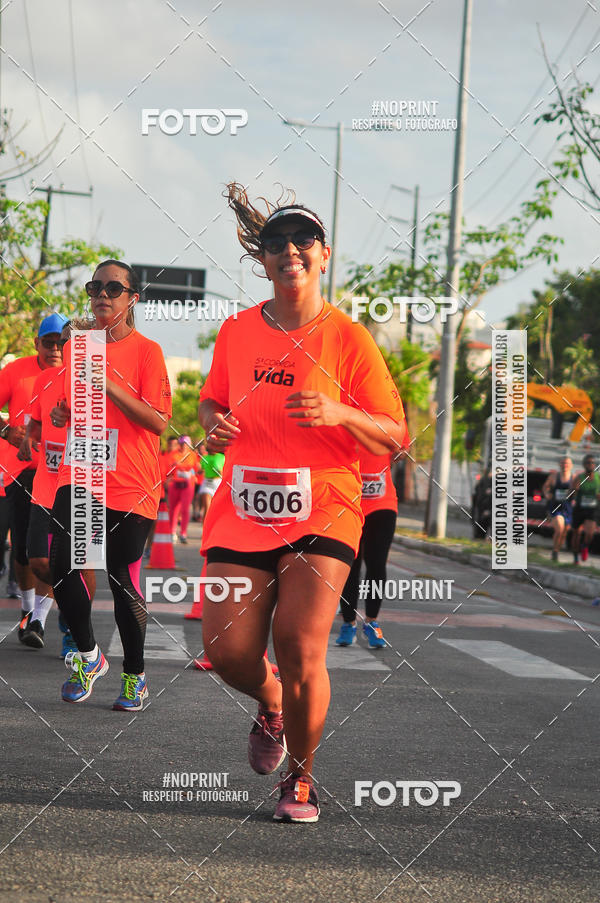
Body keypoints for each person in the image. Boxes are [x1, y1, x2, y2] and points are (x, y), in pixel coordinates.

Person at [199, 184, 407, 823]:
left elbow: (395, 431)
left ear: (324, 257)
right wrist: (212, 423)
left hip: (324, 506)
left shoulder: (347, 337)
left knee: (299, 642)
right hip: (243, 502)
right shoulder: (236, 331)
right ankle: (272, 702)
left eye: (302, 241)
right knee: (230, 649)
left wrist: (339, 409)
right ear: (263, 261)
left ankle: (300, 777)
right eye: (276, 243)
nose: (289, 251)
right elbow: (211, 401)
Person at [49, 260, 172, 710]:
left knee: (119, 577)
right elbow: (69, 406)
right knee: (61, 566)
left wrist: (113, 387)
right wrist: (62, 415)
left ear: (132, 298)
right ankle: (88, 655)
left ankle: (134, 677)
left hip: (130, 482)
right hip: (80, 473)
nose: (103, 293)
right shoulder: (78, 347)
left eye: (114, 287)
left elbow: (158, 421)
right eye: (95, 286)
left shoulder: (147, 351)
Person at [0, 312, 69, 643]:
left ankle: (40, 619)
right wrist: (7, 432)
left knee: (48, 551)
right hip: (19, 471)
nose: (55, 348)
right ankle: (29, 610)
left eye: (61, 342)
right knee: (23, 551)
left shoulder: (77, 374)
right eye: (49, 342)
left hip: (58, 476)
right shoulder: (16, 371)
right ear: (37, 343)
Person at [336, 449, 402, 648]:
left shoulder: (390, 417)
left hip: (382, 504)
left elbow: (400, 451)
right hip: (348, 503)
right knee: (350, 565)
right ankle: (349, 624)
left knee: (377, 564)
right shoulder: (342, 418)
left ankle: (372, 623)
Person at [167, 435, 200, 543]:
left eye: (186, 444)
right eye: (182, 444)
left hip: (188, 484)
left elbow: (196, 469)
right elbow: (170, 468)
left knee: (185, 509)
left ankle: (183, 533)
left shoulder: (193, 455)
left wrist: (191, 473)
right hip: (175, 484)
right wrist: (179, 468)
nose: (184, 446)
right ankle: (172, 531)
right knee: (173, 508)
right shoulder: (173, 454)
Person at [542, 456, 574, 562]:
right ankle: (555, 551)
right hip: (556, 508)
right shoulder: (554, 476)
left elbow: (578, 491)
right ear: (560, 465)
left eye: (567, 464)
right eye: (563, 463)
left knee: (564, 533)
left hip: (568, 509)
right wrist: (547, 494)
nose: (565, 465)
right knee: (559, 529)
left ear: (571, 466)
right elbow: (545, 486)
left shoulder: (574, 478)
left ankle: (557, 550)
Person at [571, 454, 600, 563]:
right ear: (584, 465)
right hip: (580, 507)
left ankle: (584, 546)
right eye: (588, 463)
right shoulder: (580, 477)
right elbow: (571, 492)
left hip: (592, 508)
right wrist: (575, 490)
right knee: (576, 533)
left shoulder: (598, 478)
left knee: (589, 533)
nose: (590, 465)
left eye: (592, 463)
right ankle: (575, 556)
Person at [197, 447, 224, 524]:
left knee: (217, 508)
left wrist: (220, 472)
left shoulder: (222, 457)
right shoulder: (205, 458)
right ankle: (204, 530)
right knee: (207, 507)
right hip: (207, 482)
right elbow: (200, 470)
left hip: (217, 482)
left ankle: (214, 528)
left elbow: (224, 471)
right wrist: (199, 470)